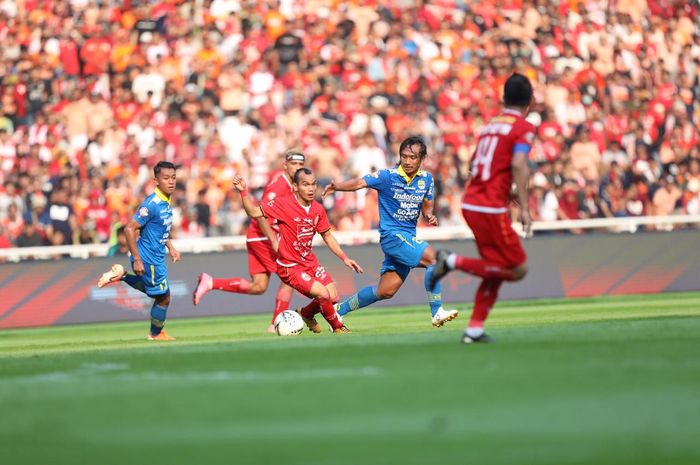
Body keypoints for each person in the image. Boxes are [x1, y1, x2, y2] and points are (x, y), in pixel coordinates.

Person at [428, 73, 535, 344]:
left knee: (496, 267)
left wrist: (502, 189)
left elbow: (473, 166)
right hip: (490, 207)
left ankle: (474, 328)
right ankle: (451, 261)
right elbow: (519, 164)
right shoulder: (522, 127)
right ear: (531, 101)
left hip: (473, 202)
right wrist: (524, 205)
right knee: (518, 268)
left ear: (503, 98)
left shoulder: (490, 125)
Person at [322, 136, 459, 327]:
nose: (408, 161)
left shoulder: (427, 179)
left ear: (422, 159)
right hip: (392, 236)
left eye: (413, 157)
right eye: (404, 156)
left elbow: (427, 205)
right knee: (435, 259)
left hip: (408, 237)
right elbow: (360, 183)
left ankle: (338, 311)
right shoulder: (387, 176)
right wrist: (338, 187)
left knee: (385, 291)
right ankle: (437, 312)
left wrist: (429, 216)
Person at [232, 168, 362, 334]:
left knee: (333, 296)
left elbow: (327, 236)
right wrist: (243, 191)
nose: (311, 189)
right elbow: (253, 212)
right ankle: (338, 327)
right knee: (323, 294)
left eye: (313, 184)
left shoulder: (318, 209)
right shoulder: (283, 204)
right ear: (295, 187)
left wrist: (345, 258)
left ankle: (306, 314)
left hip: (310, 262)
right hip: (290, 266)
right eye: (305, 184)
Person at [192, 151, 305, 333]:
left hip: (257, 236)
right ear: (285, 165)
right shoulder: (278, 186)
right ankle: (276, 322)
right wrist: (274, 240)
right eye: (294, 164)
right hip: (263, 237)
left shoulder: (294, 185)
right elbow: (260, 215)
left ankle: (211, 282)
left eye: (301, 165)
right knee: (290, 277)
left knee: (259, 286)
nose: (298, 168)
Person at [97, 161, 182, 341]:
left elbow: (160, 229)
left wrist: (171, 247)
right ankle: (155, 334)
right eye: (166, 178)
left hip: (156, 256)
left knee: (160, 294)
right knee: (163, 297)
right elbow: (129, 228)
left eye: (173, 177)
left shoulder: (166, 202)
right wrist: (137, 259)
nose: (171, 181)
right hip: (148, 257)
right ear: (156, 180)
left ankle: (121, 275)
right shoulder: (151, 204)